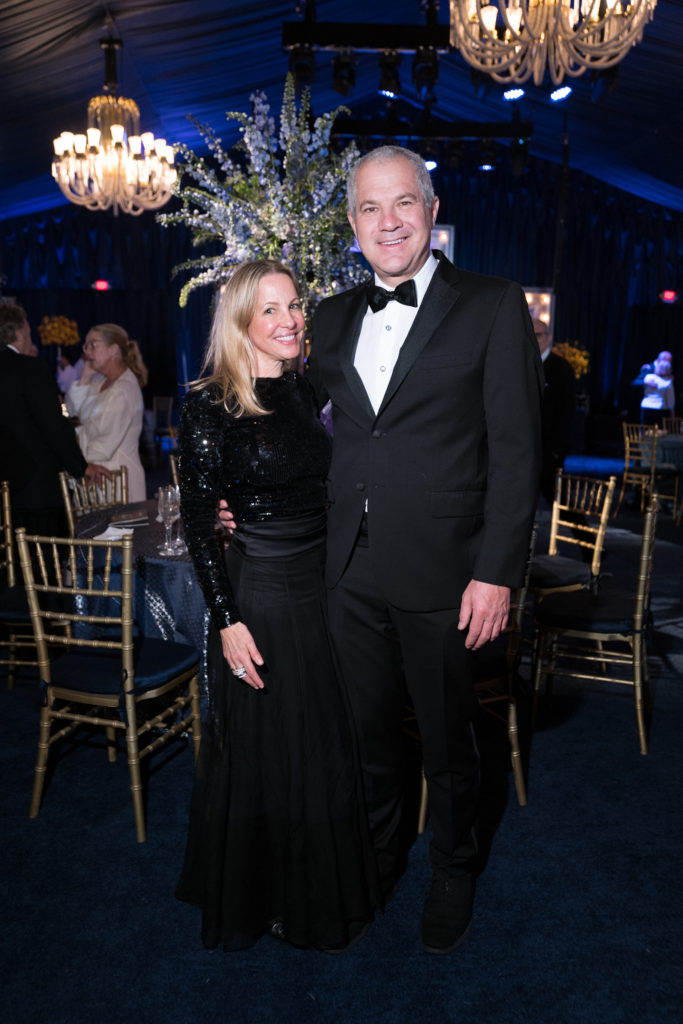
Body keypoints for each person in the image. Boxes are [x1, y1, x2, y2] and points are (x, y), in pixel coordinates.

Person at [306, 146, 543, 955]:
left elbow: (517, 452)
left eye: (402, 203)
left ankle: (453, 866)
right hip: (345, 570)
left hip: (448, 569)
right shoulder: (331, 317)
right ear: (351, 225)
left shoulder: (491, 303)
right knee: (367, 733)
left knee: (448, 738)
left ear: (432, 210)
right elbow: (305, 435)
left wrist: (495, 572)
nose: (388, 222)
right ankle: (376, 859)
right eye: (369, 209)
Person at [175, 259, 379, 953]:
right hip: (258, 591)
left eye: (295, 305)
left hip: (320, 585)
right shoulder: (208, 402)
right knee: (264, 749)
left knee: (317, 744)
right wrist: (226, 620)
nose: (290, 320)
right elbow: (202, 521)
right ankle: (260, 895)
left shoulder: (305, 387)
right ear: (239, 322)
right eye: (270, 310)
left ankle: (308, 892)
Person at [0, 302, 109, 536]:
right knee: (44, 563)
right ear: (19, 333)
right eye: (28, 332)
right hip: (35, 487)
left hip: (6, 487)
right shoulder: (29, 368)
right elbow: (53, 427)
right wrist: (81, 467)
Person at [65, 324, 148, 501]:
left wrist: (79, 464)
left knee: (118, 528)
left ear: (113, 350)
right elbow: (74, 411)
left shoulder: (124, 388)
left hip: (116, 476)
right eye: (85, 346)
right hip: (96, 474)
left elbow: (107, 438)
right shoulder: (99, 383)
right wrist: (85, 376)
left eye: (93, 345)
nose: (86, 351)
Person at [533, 317, 576, 505]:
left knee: (559, 500)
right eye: (529, 335)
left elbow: (566, 411)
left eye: (538, 335)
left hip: (549, 448)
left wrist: (557, 451)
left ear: (548, 338)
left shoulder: (561, 368)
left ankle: (585, 535)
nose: (534, 339)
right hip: (527, 446)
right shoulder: (522, 363)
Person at [640, 351, 675, 426]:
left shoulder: (648, 377)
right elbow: (670, 400)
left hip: (646, 407)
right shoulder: (667, 382)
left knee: (646, 432)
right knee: (659, 434)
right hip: (659, 409)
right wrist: (672, 414)